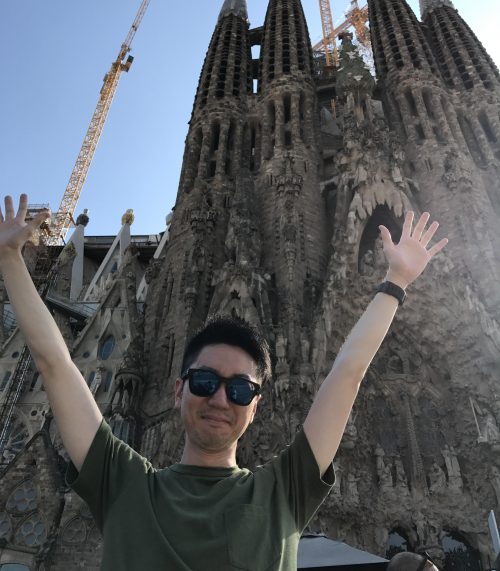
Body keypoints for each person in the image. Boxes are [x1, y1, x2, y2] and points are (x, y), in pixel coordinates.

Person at [0, 194, 448, 570]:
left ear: (255, 406)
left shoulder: (281, 494)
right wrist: (10, 261)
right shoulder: (123, 484)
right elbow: (54, 363)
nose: (219, 398)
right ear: (179, 389)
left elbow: (347, 374)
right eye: (205, 381)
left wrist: (396, 282)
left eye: (239, 390)